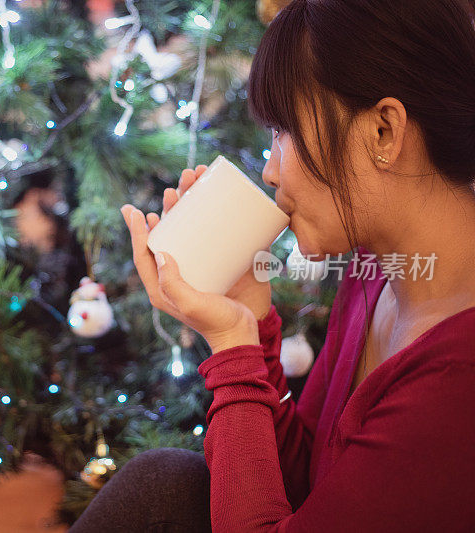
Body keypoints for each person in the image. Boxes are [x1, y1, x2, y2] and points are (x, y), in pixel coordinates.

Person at [70, 0, 475, 530]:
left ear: (384, 132)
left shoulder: (458, 374)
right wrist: (250, 323)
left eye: (285, 132)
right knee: (165, 480)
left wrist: (233, 357)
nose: (270, 170)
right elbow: (306, 481)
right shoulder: (375, 276)